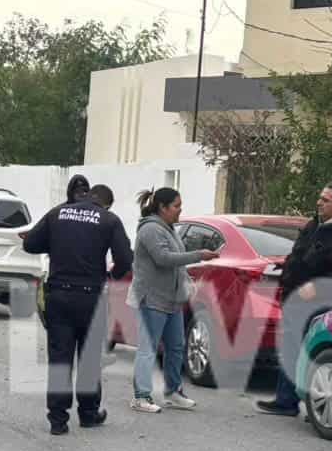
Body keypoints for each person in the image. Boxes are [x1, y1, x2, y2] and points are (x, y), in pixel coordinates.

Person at [22, 175, 133, 435]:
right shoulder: (109, 220)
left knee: (60, 358)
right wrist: (112, 277)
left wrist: (59, 245)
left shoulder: (57, 213)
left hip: (59, 295)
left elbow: (30, 244)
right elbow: (126, 259)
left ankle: (58, 420)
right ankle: (89, 413)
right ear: (106, 204)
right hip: (91, 297)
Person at [258, 183, 332, 417]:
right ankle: (285, 401)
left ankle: (316, 405)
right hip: (296, 298)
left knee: (316, 352)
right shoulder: (315, 225)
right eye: (320, 198)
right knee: (291, 348)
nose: (319, 203)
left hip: (323, 305)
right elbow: (298, 253)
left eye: (326, 200)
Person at [130, 187, 218, 414]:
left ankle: (173, 392)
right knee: (147, 349)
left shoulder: (169, 229)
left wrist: (188, 283)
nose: (180, 210)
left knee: (176, 347)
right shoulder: (150, 229)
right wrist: (199, 255)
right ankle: (141, 396)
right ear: (163, 207)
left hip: (172, 300)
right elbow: (164, 258)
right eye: (176, 206)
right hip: (152, 298)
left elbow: (177, 263)